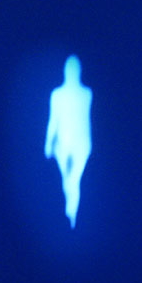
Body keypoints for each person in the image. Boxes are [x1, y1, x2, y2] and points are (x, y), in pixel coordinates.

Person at [44, 55, 92, 229]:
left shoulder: (86, 94)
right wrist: (48, 144)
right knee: (69, 182)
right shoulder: (57, 95)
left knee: (73, 181)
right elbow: (53, 121)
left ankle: (71, 219)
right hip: (64, 145)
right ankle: (70, 218)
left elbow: (87, 121)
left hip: (80, 145)